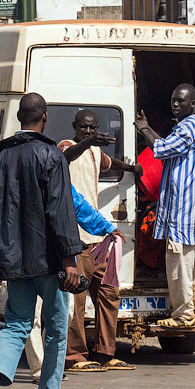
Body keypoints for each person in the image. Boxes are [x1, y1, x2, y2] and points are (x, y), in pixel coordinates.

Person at [0, 92, 84, 389]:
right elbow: (60, 211)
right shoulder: (52, 156)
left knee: (17, 324)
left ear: (20, 118)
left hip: (14, 262)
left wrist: (0, 249)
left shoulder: (0, 156)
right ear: (45, 117)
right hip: (49, 262)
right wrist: (70, 259)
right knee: (55, 326)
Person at [58, 109, 140, 373]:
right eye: (84, 128)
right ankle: (75, 355)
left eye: (92, 129)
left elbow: (110, 163)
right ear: (75, 127)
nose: (89, 132)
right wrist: (87, 143)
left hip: (97, 239)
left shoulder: (94, 152)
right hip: (76, 239)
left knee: (108, 294)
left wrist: (130, 168)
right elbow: (64, 158)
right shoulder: (68, 147)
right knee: (77, 299)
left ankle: (105, 352)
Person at [25, 185, 124, 383]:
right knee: (31, 316)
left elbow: (79, 206)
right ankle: (40, 370)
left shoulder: (58, 176)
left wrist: (107, 227)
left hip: (56, 258)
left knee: (65, 311)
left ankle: (51, 364)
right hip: (26, 256)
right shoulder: (19, 173)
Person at [134, 83, 195, 327]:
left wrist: (145, 129)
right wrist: (151, 132)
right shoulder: (186, 126)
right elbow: (164, 145)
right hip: (187, 209)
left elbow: (162, 148)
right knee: (190, 265)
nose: (175, 104)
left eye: (180, 100)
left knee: (178, 263)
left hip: (184, 210)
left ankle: (183, 315)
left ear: (192, 104)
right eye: (173, 100)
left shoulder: (189, 126)